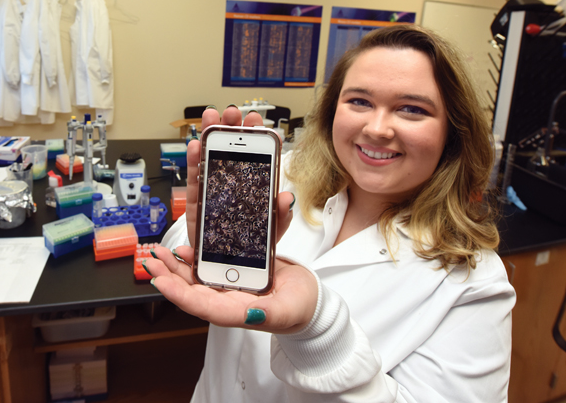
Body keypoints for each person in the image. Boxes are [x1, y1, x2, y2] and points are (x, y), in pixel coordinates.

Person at [146, 24, 516, 402]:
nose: (377, 128)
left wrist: (319, 330)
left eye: (411, 109)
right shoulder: (288, 172)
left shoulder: (473, 282)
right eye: (359, 101)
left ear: (452, 133)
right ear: (332, 109)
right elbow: (178, 242)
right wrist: (206, 241)